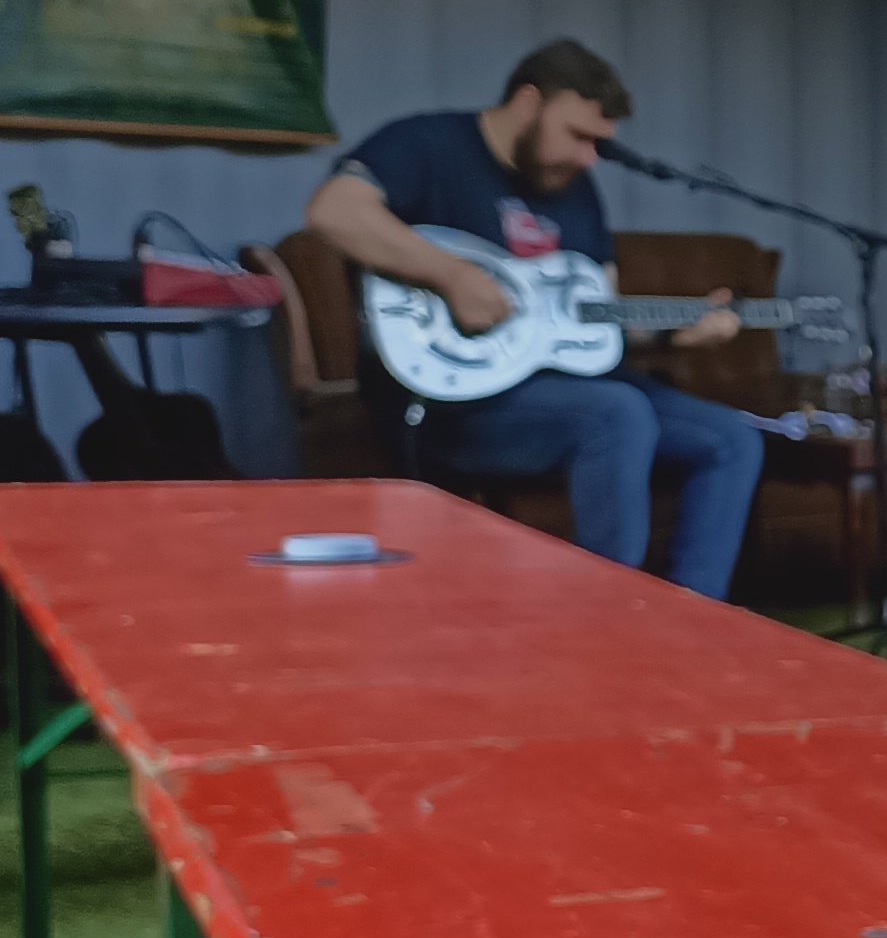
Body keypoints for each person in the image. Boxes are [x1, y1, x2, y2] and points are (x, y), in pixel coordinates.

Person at [304, 40, 770, 600]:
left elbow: (596, 322)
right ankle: (611, 621)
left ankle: (693, 621)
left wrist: (675, 333)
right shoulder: (425, 144)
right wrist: (452, 276)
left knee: (732, 439)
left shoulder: (576, 190)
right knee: (617, 413)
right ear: (528, 103)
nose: (589, 158)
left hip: (563, 389)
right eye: (578, 136)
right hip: (449, 402)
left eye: (598, 144)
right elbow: (334, 210)